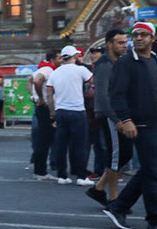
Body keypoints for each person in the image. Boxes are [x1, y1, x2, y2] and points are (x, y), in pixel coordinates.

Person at [101, 22, 157, 229]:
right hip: (140, 124)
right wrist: (125, 119)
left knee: (149, 170)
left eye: (143, 35)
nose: (138, 38)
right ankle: (155, 221)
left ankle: (118, 206)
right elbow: (117, 94)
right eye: (135, 35)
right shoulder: (126, 63)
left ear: (152, 39)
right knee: (151, 173)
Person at [86, 29, 130, 206]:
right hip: (110, 116)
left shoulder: (117, 62)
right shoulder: (105, 65)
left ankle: (100, 190)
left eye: (125, 42)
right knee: (117, 155)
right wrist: (116, 119)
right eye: (120, 43)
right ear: (109, 44)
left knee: (122, 155)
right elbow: (103, 96)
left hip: (119, 114)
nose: (124, 46)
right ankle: (111, 196)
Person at [45, 45, 94, 186]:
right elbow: (93, 81)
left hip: (61, 112)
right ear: (74, 56)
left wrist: (52, 114)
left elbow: (49, 95)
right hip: (78, 111)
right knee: (80, 145)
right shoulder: (81, 70)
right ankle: (81, 176)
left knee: (61, 145)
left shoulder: (55, 73)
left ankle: (62, 175)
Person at [31, 49, 62, 180]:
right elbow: (37, 81)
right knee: (45, 140)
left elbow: (30, 81)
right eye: (59, 58)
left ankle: (40, 169)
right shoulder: (48, 70)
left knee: (43, 140)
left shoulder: (43, 69)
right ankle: (40, 171)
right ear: (52, 59)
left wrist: (33, 96)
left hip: (42, 107)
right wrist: (41, 98)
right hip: (45, 108)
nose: (61, 60)